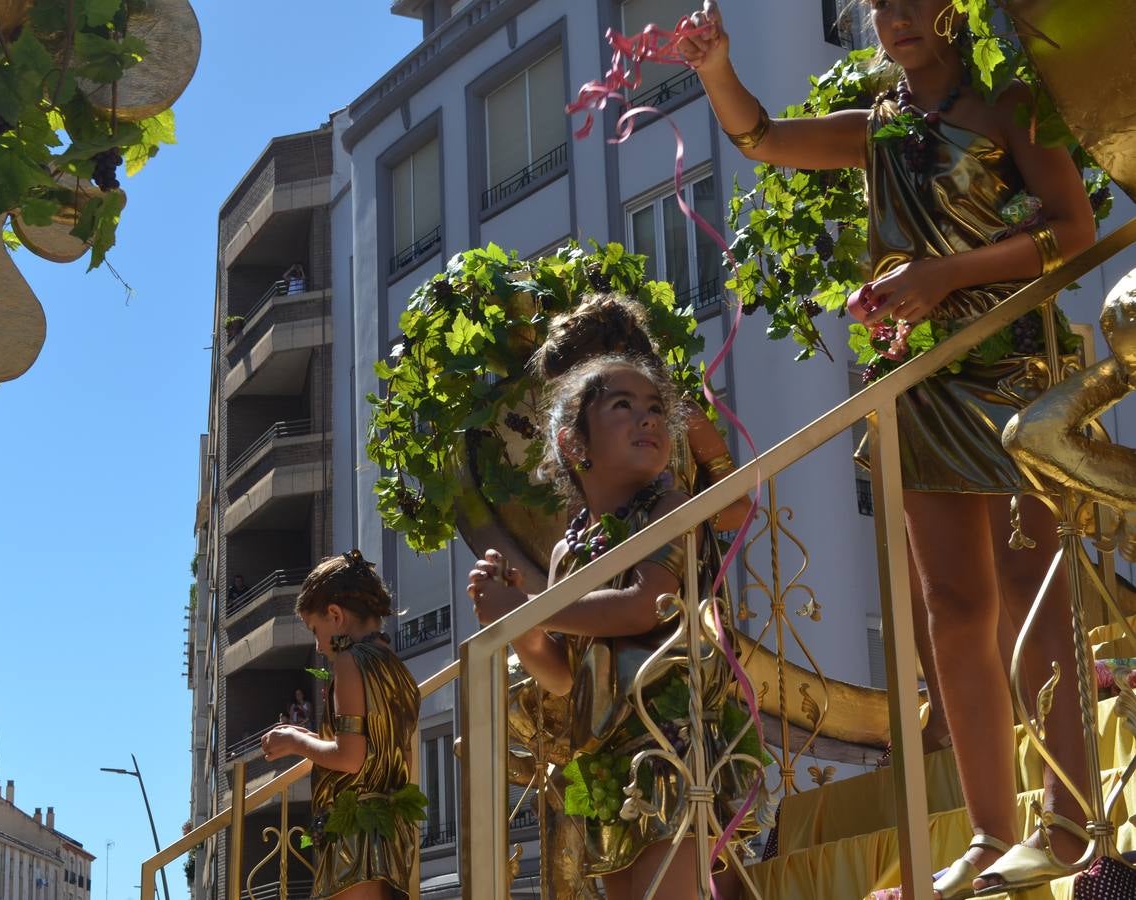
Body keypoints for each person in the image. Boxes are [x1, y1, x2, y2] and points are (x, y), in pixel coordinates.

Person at [680, 1, 1097, 896]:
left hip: (1019, 369)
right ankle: (992, 834)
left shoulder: (1011, 103)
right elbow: (760, 138)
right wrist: (715, 67)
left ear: (952, 8)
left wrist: (941, 274)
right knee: (952, 605)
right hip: (928, 384)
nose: (897, 16)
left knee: (1032, 592)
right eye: (881, 3)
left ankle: (1069, 825)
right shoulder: (878, 127)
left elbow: (1075, 229)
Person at [468, 297, 754, 900]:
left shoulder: (669, 505)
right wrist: (518, 627)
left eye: (655, 408)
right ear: (574, 444)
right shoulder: (570, 550)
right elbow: (561, 676)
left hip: (667, 737)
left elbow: (643, 605)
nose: (648, 419)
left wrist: (531, 610)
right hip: (605, 752)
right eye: (622, 406)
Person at [262, 551, 421, 899]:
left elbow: (350, 758)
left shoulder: (350, 662)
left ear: (335, 615)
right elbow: (388, 753)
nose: (318, 646)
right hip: (388, 832)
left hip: (355, 840)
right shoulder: (398, 671)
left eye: (315, 630)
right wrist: (313, 738)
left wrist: (295, 742)